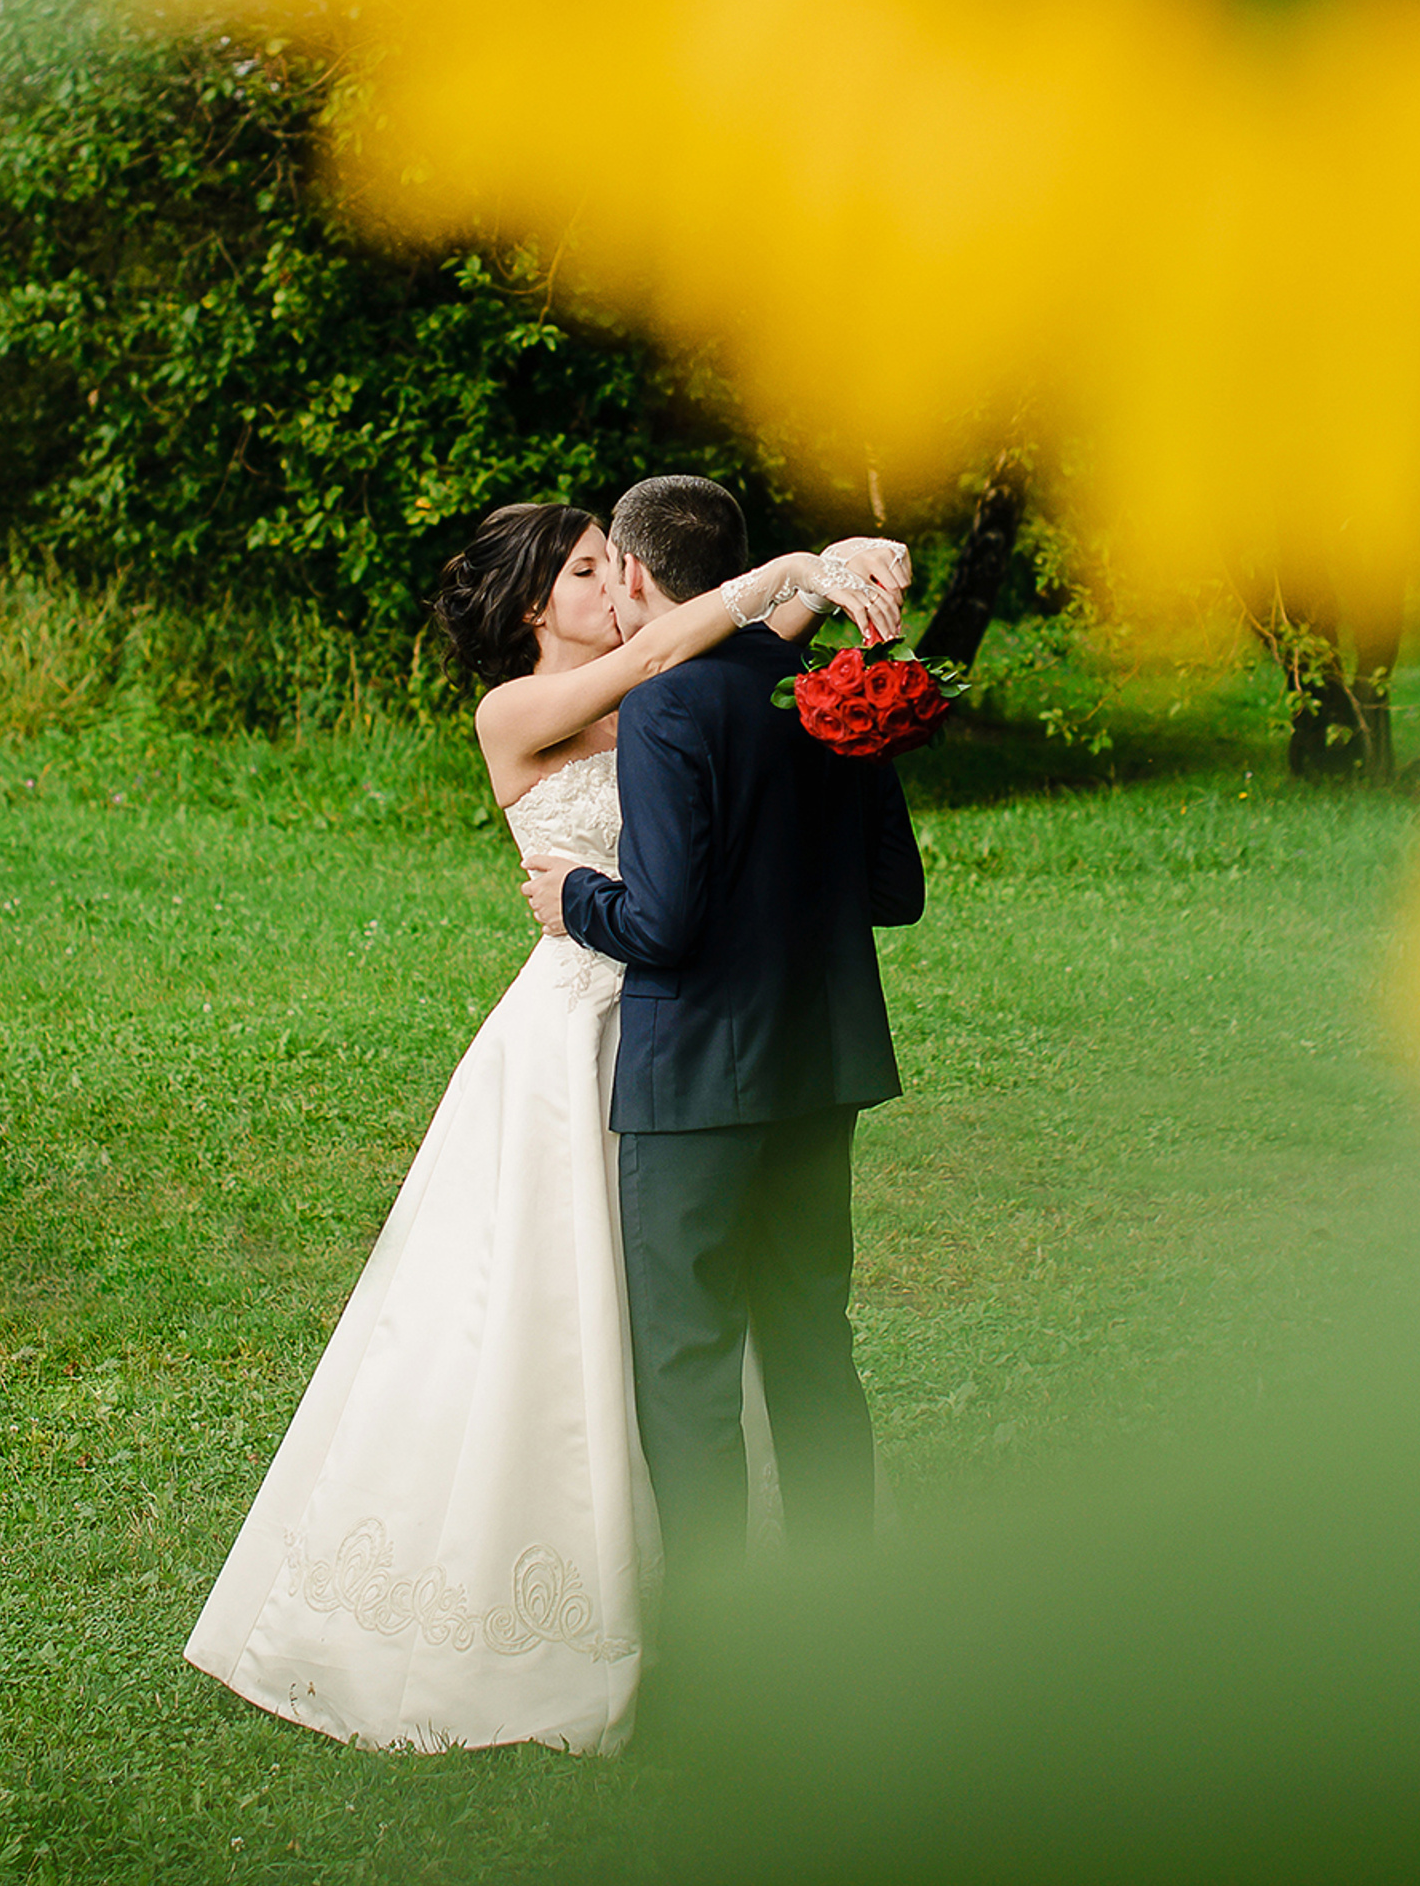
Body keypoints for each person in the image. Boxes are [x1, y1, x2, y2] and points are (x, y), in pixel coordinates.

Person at [182, 496, 909, 1755]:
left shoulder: (684, 683)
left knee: (699, 1325)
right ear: (535, 607)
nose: (609, 583)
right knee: (555, 1307)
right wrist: (787, 570)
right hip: (582, 1034)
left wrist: (856, 571)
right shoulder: (516, 709)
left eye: (609, 562)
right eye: (582, 570)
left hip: (693, 1029)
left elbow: (727, 659)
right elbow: (664, 653)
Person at [521, 475, 927, 1628]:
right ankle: (848, 1612)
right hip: (820, 1069)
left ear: (639, 576)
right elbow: (891, 891)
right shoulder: (820, 691)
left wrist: (576, 896)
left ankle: (714, 1646)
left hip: (695, 1083)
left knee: (688, 1365)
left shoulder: (665, 708)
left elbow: (663, 925)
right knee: (810, 1343)